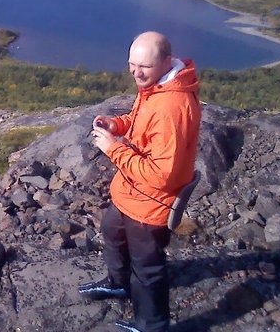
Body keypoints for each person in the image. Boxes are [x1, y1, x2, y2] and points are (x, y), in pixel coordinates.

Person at [78, 31, 201, 332]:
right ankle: (119, 284)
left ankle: (152, 325)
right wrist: (116, 124)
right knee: (112, 231)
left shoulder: (171, 107)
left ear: (165, 61)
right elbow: (137, 119)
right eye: (132, 64)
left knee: (148, 268)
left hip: (151, 202)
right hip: (131, 191)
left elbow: (161, 175)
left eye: (143, 66)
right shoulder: (155, 87)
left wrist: (112, 147)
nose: (135, 72)